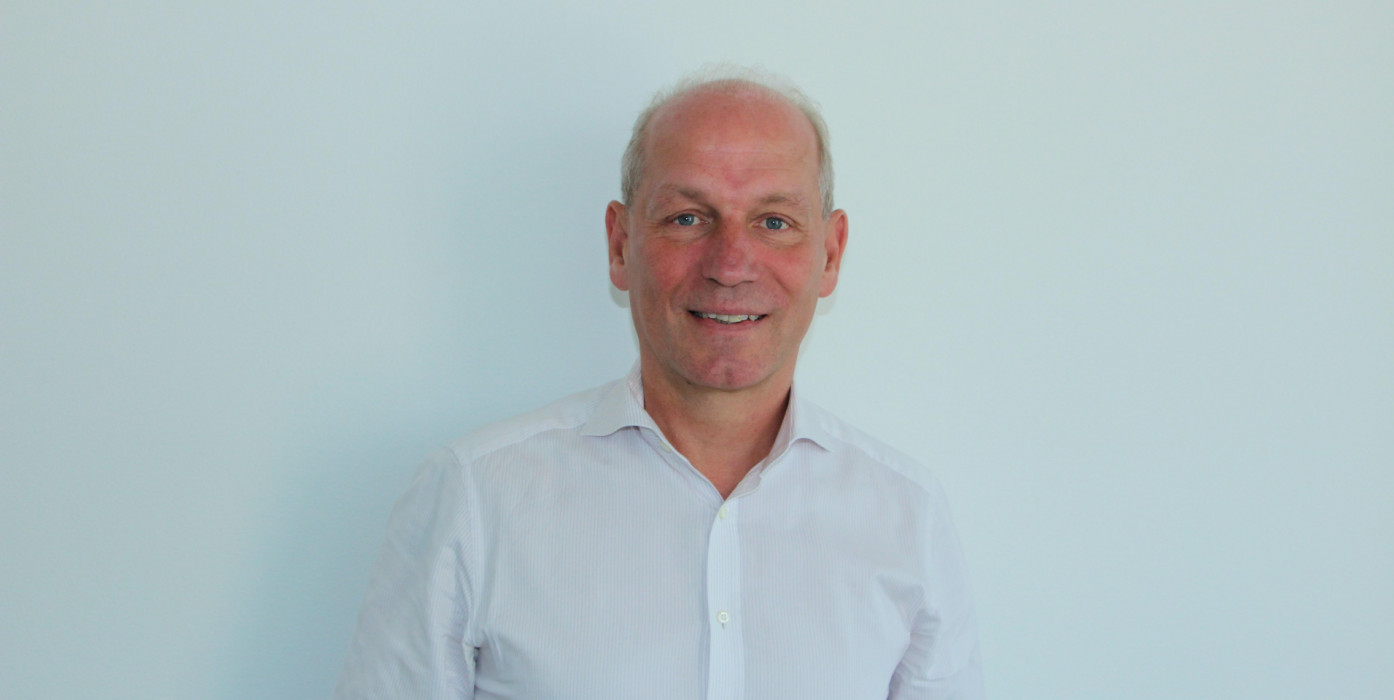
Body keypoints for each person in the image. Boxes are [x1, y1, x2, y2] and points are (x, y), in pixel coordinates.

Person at [333, 68, 983, 699]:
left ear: (831, 253)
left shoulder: (908, 519)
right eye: (688, 218)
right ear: (620, 245)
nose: (730, 265)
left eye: (773, 221)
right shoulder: (475, 500)